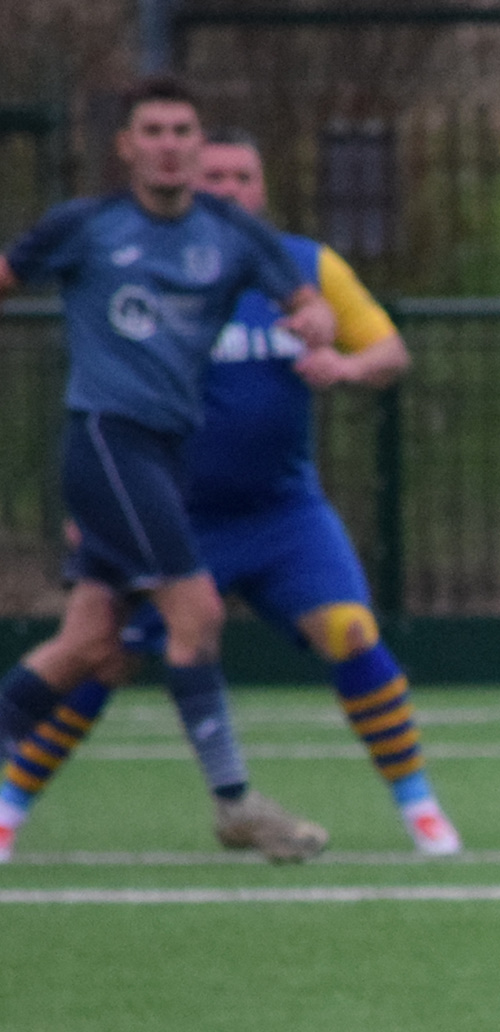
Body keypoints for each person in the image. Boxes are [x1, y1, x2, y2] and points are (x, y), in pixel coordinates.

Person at [0, 130, 460, 858]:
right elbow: (105, 400)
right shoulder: (144, 268)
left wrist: (342, 365)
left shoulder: (302, 267)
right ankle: (11, 807)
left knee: (350, 632)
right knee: (101, 652)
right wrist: (93, 508)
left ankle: (421, 810)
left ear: (263, 189)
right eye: (214, 175)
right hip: (170, 508)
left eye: (243, 175)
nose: (227, 188)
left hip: (283, 513)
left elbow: (388, 348)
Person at [0, 76, 335, 861]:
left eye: (183, 129)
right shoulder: (87, 227)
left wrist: (314, 319)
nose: (170, 143)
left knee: (89, 645)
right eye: (153, 129)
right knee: (198, 614)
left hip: (165, 453)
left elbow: (303, 301)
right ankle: (234, 803)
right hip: (110, 441)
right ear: (126, 146)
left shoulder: (229, 232)